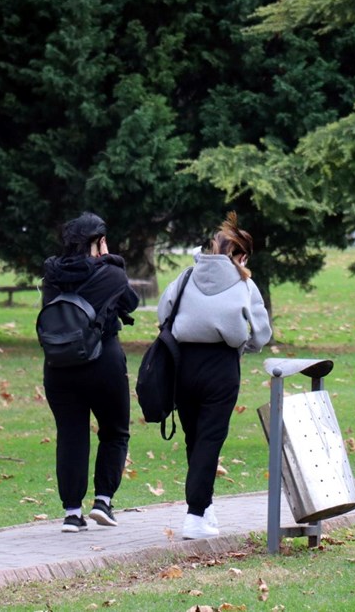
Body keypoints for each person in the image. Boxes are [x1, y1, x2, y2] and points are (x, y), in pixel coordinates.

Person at [156, 212, 272, 540]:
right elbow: (261, 332)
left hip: (183, 363)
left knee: (195, 437)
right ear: (241, 256)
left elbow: (165, 311)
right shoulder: (244, 283)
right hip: (221, 365)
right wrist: (244, 346)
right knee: (210, 438)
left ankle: (203, 508)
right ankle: (195, 515)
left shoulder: (187, 275)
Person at [41, 212, 139, 533]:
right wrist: (109, 259)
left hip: (59, 366)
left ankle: (72, 512)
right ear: (98, 241)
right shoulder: (110, 273)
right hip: (103, 362)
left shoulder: (52, 272)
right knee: (114, 430)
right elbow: (132, 302)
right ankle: (103, 501)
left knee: (71, 435)